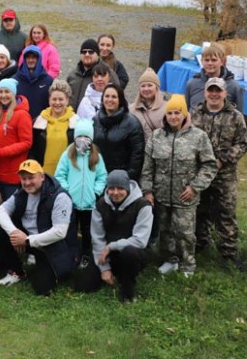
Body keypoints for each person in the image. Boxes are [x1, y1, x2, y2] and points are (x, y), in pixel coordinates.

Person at [141, 95, 217, 277]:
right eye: (170, 113)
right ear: (165, 116)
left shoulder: (198, 137)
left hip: (185, 196)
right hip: (161, 195)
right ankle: (170, 260)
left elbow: (209, 165)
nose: (173, 117)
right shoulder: (157, 136)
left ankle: (188, 264)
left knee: (185, 233)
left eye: (177, 113)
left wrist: (195, 187)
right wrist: (148, 190)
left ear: (184, 115)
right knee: (165, 230)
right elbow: (148, 166)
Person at [0, 160, 77, 296]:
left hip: (55, 246)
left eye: (31, 178)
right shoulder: (21, 193)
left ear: (42, 177)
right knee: (0, 226)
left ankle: (58, 268)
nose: (26, 183)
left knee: (43, 289)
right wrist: (14, 232)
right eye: (23, 178)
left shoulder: (59, 196)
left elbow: (59, 233)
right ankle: (16, 272)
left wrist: (26, 240)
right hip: (31, 240)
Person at [191, 78, 247, 271]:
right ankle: (201, 243)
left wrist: (224, 159)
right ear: (205, 92)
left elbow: (242, 143)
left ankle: (229, 253)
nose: (214, 94)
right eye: (210, 91)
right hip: (201, 172)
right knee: (200, 209)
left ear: (225, 93)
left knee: (226, 212)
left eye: (218, 91)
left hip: (225, 174)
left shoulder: (235, 116)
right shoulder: (195, 114)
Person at [75, 170, 153, 303]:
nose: (115, 193)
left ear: (127, 188)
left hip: (132, 252)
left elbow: (140, 240)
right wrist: (104, 269)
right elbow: (97, 237)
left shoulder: (143, 206)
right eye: (111, 188)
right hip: (106, 254)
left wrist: (112, 246)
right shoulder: (100, 205)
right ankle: (111, 273)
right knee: (83, 286)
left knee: (130, 253)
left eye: (120, 188)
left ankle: (128, 288)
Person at [54, 118, 108, 267]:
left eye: (86, 137)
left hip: (90, 203)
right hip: (71, 202)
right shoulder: (68, 155)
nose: (83, 140)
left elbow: (102, 177)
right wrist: (68, 192)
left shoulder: (96, 156)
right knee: (70, 230)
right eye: (79, 137)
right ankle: (72, 255)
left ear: (91, 138)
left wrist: (96, 192)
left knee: (87, 232)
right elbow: (60, 175)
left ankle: (86, 254)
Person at [0, 79, 32, 200]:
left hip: (12, 174)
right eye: (0, 91)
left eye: (7, 92)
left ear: (14, 94)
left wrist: (1, 152)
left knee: (11, 212)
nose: (3, 95)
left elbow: (26, 143)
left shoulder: (22, 115)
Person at [92, 84, 145, 181]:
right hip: (98, 178)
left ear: (120, 99)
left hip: (121, 180)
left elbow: (137, 155)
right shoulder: (95, 121)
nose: (110, 100)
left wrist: (129, 178)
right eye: (107, 96)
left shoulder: (132, 124)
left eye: (114, 97)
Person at [30, 79, 79, 175]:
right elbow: (32, 150)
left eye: (61, 99)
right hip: (43, 174)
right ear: (49, 100)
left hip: (68, 174)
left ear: (67, 100)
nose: (57, 103)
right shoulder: (38, 122)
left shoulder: (76, 123)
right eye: (54, 99)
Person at [185, 43, 244, 112]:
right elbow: (186, 111)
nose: (210, 63)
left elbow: (238, 115)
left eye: (214, 60)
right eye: (206, 60)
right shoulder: (192, 83)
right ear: (201, 61)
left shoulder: (233, 86)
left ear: (222, 61)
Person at [66, 39, 119, 111]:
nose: (87, 54)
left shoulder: (108, 74)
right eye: (84, 52)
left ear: (97, 54)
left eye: (91, 52)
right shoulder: (72, 75)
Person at [14, 45, 54, 120]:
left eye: (34, 57)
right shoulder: (15, 81)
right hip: (21, 122)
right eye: (28, 57)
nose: (30, 60)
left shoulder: (48, 81)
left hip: (42, 123)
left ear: (39, 59)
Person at [129, 68, 168, 141]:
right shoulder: (131, 109)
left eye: (150, 85)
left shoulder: (166, 108)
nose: (146, 89)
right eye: (143, 86)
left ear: (156, 87)